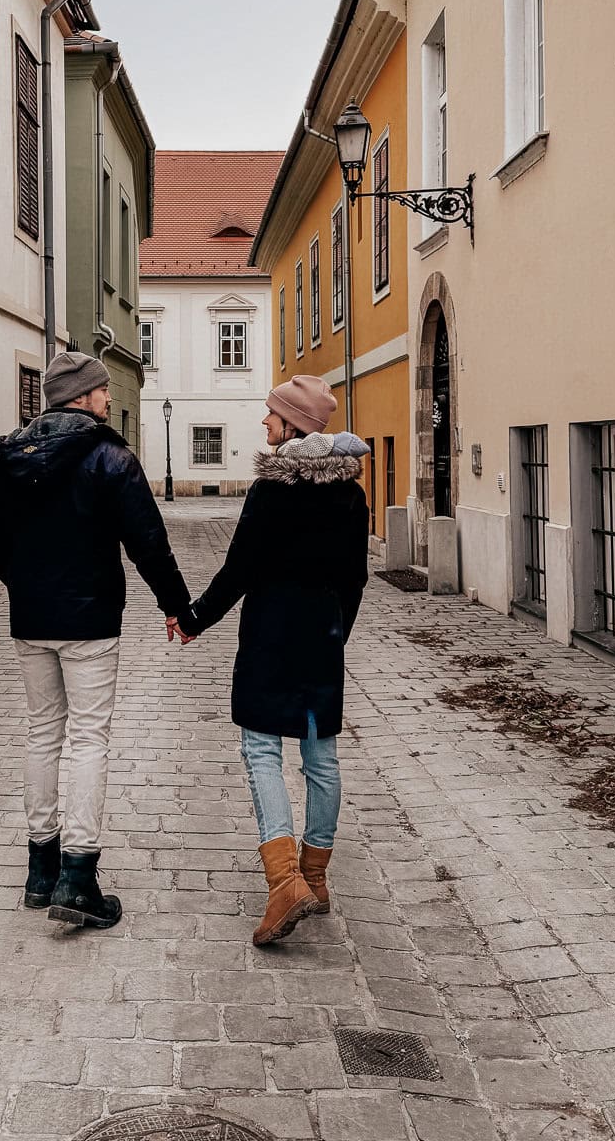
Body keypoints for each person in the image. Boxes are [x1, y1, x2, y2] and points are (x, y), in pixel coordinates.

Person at [0, 350, 189, 930]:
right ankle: (78, 875)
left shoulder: (6, 462)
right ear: (88, 396)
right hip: (91, 620)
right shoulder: (110, 458)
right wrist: (178, 608)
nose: (107, 398)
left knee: (43, 733)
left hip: (32, 620)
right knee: (89, 737)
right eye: (101, 391)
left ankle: (40, 870)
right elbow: (148, 541)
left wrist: (25, 584)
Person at [169, 374, 369, 945]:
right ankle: (315, 878)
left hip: (269, 641)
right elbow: (354, 580)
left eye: (271, 415)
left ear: (294, 425)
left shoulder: (270, 491)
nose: (264, 423)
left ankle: (283, 882)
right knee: (320, 757)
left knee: (261, 749)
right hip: (321, 640)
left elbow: (239, 572)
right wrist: (335, 634)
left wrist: (191, 619)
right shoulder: (351, 495)